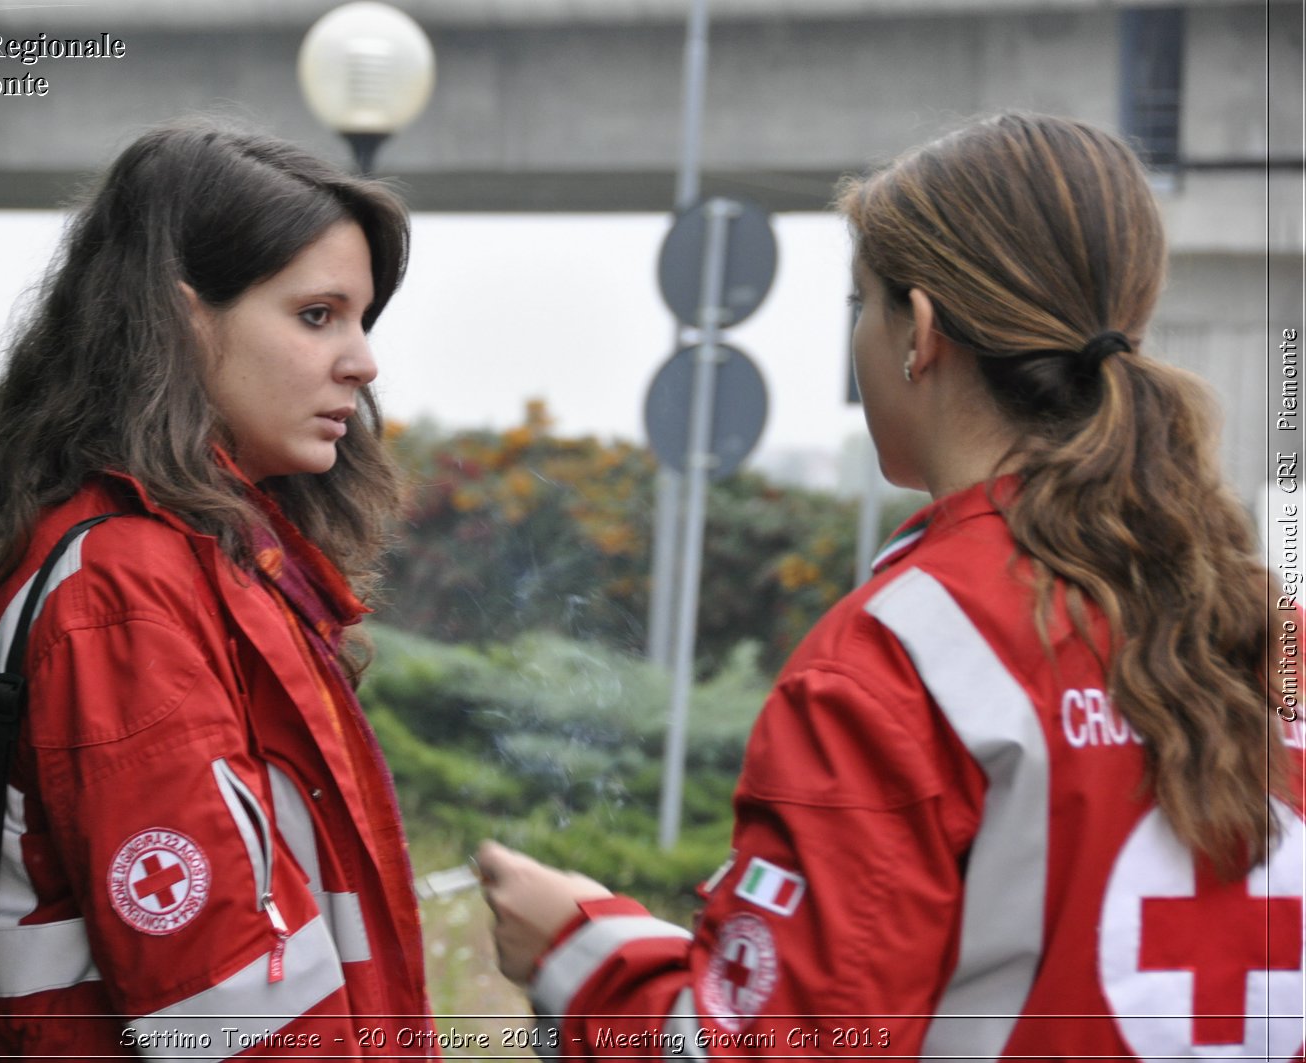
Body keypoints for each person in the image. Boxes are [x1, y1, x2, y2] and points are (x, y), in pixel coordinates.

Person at [478, 112, 1306, 1060]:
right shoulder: (1275, 630)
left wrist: (582, 956)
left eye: (856, 305)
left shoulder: (901, 660)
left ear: (916, 333)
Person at [0, 119, 437, 1058]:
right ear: (183, 321)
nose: (362, 361)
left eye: (362, 319)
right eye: (317, 315)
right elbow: (233, 1017)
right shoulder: (126, 592)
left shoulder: (196, 565)